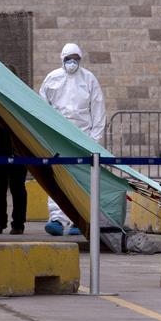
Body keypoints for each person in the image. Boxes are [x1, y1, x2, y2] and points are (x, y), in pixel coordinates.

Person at [39, 42, 106, 236]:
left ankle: (80, 217)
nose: (72, 63)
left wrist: (94, 140)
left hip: (82, 137)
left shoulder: (89, 79)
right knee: (57, 176)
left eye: (75, 59)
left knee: (82, 179)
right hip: (59, 136)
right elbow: (42, 108)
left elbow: (98, 110)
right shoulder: (52, 79)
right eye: (68, 59)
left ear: (80, 59)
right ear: (62, 59)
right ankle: (57, 218)